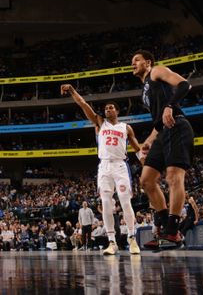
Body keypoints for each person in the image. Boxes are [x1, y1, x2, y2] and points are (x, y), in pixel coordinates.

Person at [61, 84, 142, 255]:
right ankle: (111, 242)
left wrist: (145, 162)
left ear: (117, 111)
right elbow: (83, 104)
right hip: (104, 166)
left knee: (125, 202)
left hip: (120, 165)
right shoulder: (100, 122)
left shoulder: (125, 127)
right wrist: (73, 91)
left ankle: (132, 238)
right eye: (105, 108)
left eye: (111, 108)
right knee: (105, 204)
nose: (107, 110)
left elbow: (137, 148)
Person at [131, 49, 194, 247]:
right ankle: (165, 225)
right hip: (163, 131)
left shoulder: (156, 71)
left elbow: (185, 84)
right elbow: (158, 123)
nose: (133, 63)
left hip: (177, 125)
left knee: (174, 176)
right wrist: (148, 141)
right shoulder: (144, 91)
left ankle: (173, 232)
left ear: (147, 62)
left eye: (137, 60)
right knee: (146, 181)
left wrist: (170, 106)